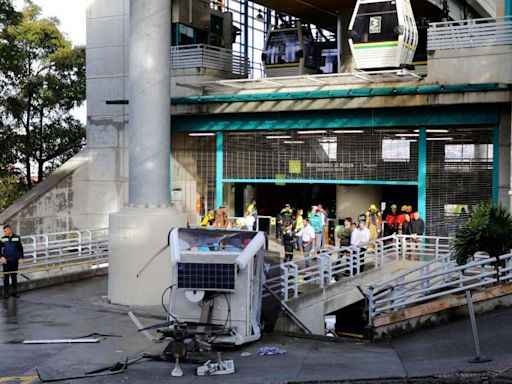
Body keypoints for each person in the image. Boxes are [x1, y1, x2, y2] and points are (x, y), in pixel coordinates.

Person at [1, 225, 24, 299]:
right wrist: (1, 257)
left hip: (14, 260)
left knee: (14, 277)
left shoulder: (17, 238)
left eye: (5, 231)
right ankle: (6, 293)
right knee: (6, 277)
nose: (4, 233)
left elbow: (20, 249)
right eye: (4, 231)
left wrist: (21, 258)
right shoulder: (3, 239)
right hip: (6, 261)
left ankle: (14, 292)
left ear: (10, 230)